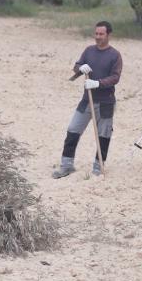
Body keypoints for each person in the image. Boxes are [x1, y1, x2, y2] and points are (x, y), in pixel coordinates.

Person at [52, 20, 123, 178]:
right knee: (73, 129)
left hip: (106, 102)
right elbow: (77, 66)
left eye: (101, 34)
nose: (97, 37)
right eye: (96, 34)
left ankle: (98, 168)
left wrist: (98, 83)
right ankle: (66, 165)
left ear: (108, 35)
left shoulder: (115, 55)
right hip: (86, 100)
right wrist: (79, 68)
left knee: (103, 136)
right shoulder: (89, 51)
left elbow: (115, 77)